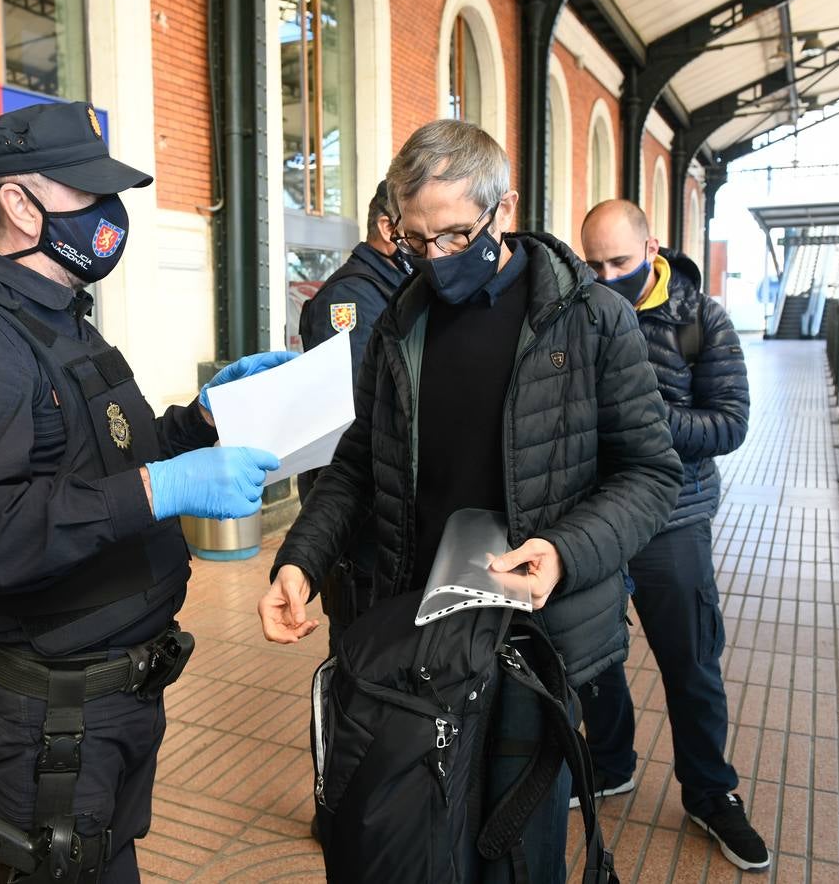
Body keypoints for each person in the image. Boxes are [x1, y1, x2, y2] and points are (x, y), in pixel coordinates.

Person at [257, 119, 682, 882]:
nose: (436, 258)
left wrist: (563, 551)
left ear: (504, 208)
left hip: (533, 642)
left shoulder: (591, 320)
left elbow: (651, 474)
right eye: (416, 240)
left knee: (518, 850)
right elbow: (357, 464)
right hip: (422, 639)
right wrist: (302, 560)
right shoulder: (401, 324)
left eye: (456, 235)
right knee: (424, 840)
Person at [0, 100, 294, 884]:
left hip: (117, 694)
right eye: (85, 194)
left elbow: (107, 463)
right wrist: (162, 487)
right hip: (55, 716)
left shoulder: (64, 321)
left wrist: (202, 422)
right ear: (17, 202)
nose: (108, 213)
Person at [578, 199, 763, 871]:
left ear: (651, 249)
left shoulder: (700, 318)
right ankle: (609, 762)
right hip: (596, 518)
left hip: (673, 518)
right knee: (592, 655)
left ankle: (711, 793)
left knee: (691, 664)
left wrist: (648, 420)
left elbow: (731, 423)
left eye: (619, 263)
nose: (606, 276)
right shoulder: (580, 312)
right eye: (593, 265)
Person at [296, 179, 411, 648]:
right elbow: (364, 423)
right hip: (364, 532)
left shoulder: (397, 289)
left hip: (386, 527)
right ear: (387, 226)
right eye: (420, 229)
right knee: (359, 672)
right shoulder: (351, 302)